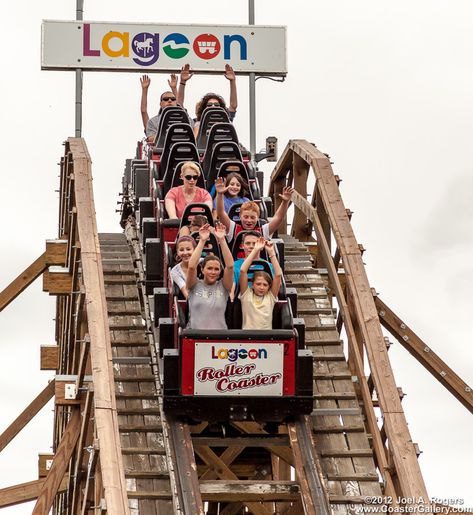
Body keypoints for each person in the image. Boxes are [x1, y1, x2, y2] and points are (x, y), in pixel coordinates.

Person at [215, 177, 294, 243]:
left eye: (252, 218)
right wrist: (220, 194)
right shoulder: (233, 229)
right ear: (240, 216)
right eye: (246, 217)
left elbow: (278, 218)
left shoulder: (263, 231)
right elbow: (221, 213)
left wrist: (285, 202)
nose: (249, 220)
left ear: (258, 217)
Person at [186, 223, 234, 330]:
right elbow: (192, 266)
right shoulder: (194, 284)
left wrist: (221, 239)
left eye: (216, 269)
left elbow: (230, 266)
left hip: (219, 339)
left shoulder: (223, 286)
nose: (213, 272)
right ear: (202, 270)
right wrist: (202, 240)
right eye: (209, 268)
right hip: (195, 337)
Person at [176, 63, 238, 136]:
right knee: (197, 125)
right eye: (209, 105)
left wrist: (232, 81)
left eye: (216, 105)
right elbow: (179, 105)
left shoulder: (226, 121)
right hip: (200, 146)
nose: (213, 106)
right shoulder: (196, 122)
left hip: (223, 146)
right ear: (203, 109)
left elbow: (233, 106)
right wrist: (182, 82)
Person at [239, 237, 282, 330]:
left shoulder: (270, 296)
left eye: (265, 285)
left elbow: (278, 275)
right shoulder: (246, 295)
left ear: (269, 286)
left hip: (266, 338)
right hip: (247, 337)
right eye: (258, 284)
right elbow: (243, 270)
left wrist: (271, 252)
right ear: (252, 285)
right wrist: (255, 249)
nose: (261, 287)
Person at [143, 65, 194, 141]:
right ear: (161, 104)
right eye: (166, 99)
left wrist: (181, 83)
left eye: (173, 99)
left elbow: (179, 103)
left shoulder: (187, 120)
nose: (170, 100)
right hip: (163, 151)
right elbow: (151, 139)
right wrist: (145, 89)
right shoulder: (153, 121)